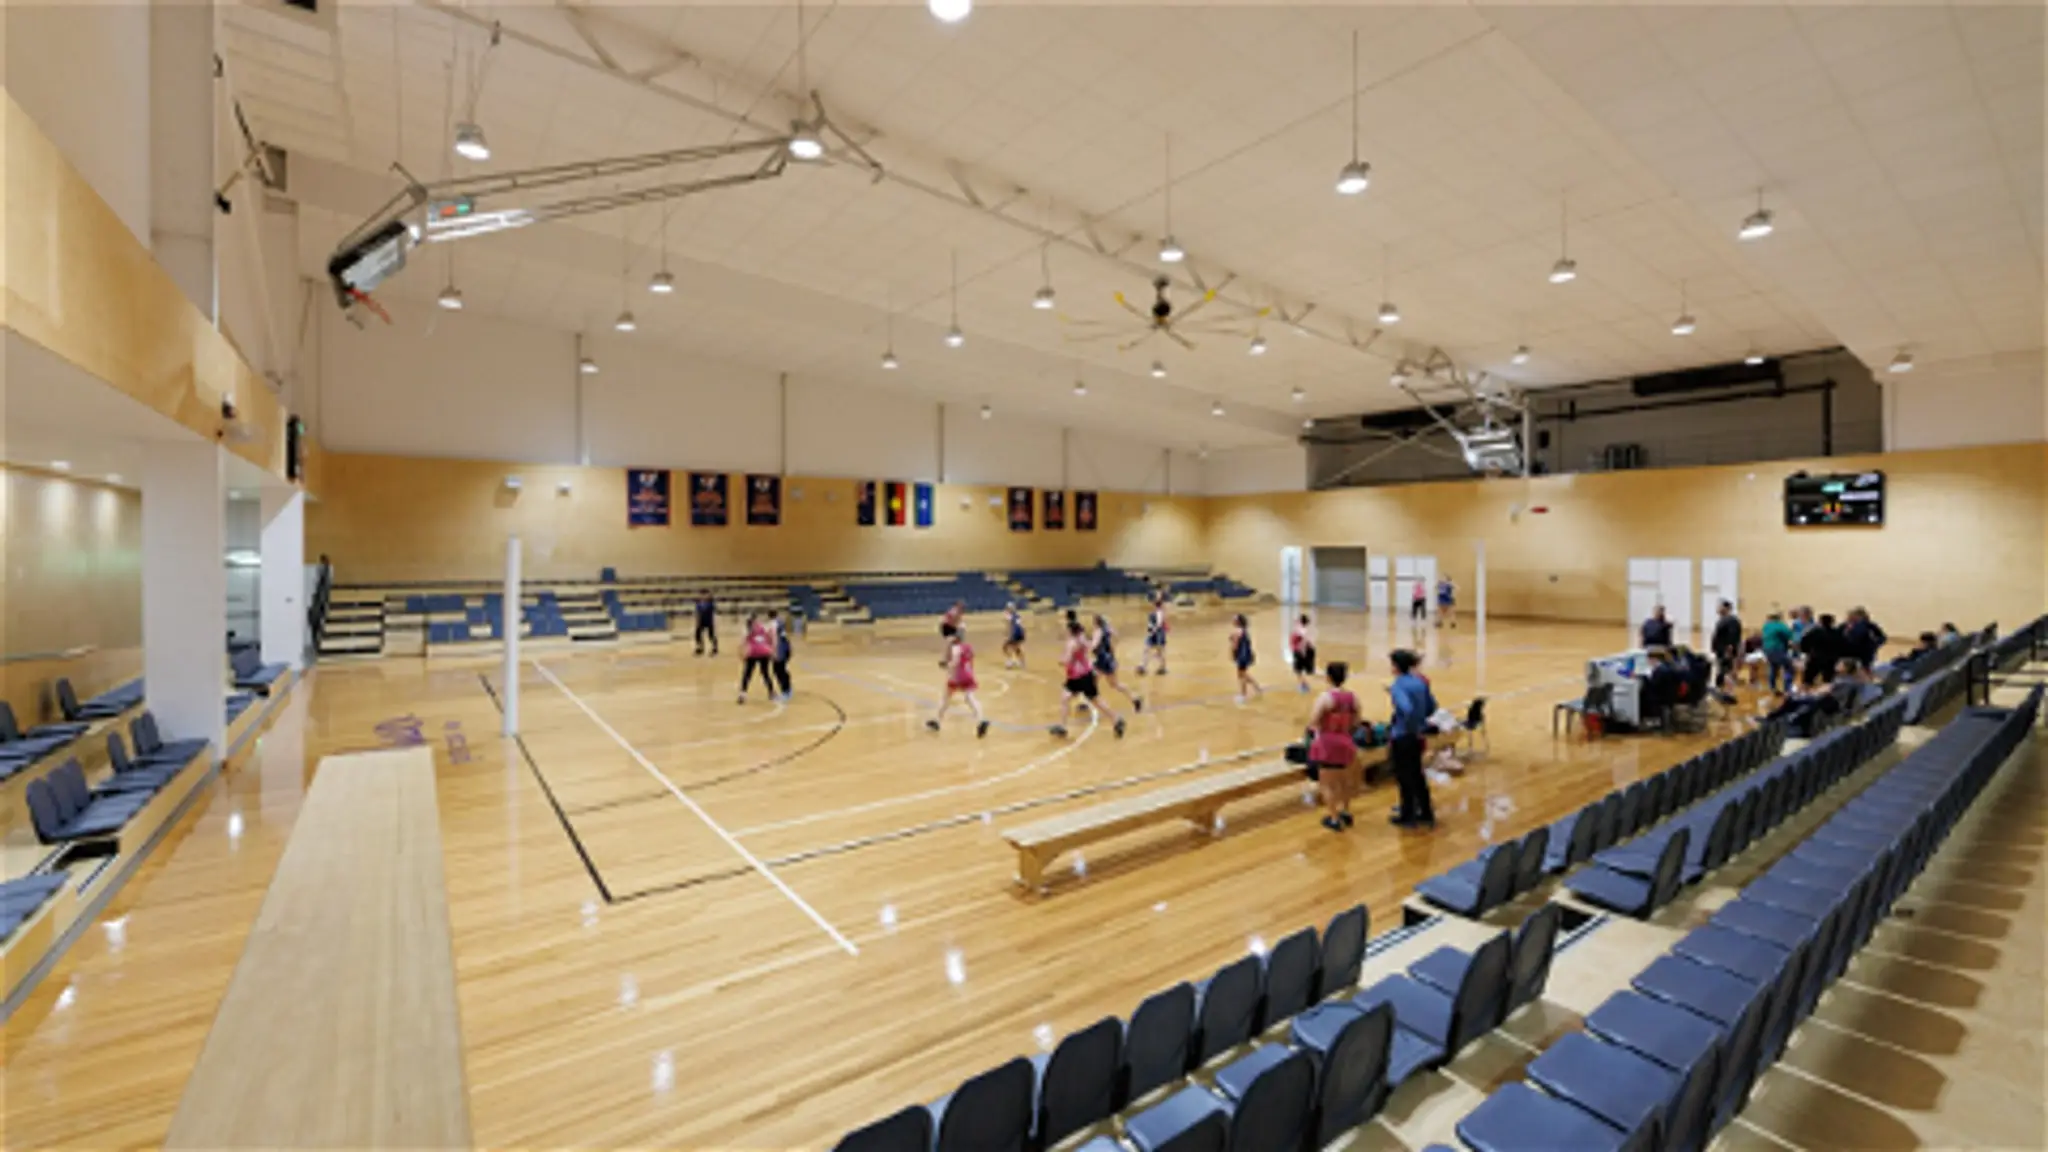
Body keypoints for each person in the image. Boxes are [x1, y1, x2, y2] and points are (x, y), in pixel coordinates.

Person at [1307, 661, 1361, 832]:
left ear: (1328, 677)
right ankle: (1345, 811)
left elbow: (1314, 721)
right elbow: (1357, 721)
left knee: (1327, 784)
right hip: (1346, 742)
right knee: (1344, 781)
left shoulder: (1325, 698)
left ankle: (1334, 818)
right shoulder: (1353, 697)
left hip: (1327, 744)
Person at [1387, 649, 1437, 829]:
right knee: (1417, 775)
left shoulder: (1398, 685)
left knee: (1403, 777)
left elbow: (1406, 708)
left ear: (1396, 666)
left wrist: (1408, 725)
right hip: (1418, 735)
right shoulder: (1419, 682)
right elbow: (1432, 707)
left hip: (1403, 736)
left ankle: (1408, 815)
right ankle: (1426, 812)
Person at [1051, 618, 1126, 739]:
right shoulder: (1082, 639)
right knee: (1077, 699)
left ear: (1070, 631)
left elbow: (1067, 660)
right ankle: (1116, 719)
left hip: (1077, 677)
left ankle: (1116, 719)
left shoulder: (1072, 643)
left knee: (1072, 699)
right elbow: (1090, 646)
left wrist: (1061, 660)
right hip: (1085, 674)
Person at [926, 627, 990, 737]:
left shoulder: (956, 648)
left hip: (957, 677)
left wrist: (946, 665)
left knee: (945, 698)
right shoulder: (968, 647)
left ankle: (937, 721)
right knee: (970, 698)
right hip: (968, 674)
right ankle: (981, 720)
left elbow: (955, 662)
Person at [1090, 614, 1144, 713]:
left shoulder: (1098, 631)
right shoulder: (1108, 629)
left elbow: (1093, 646)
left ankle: (1089, 702)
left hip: (1102, 660)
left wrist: (1085, 646)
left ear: (1096, 622)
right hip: (1109, 659)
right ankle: (1135, 698)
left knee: (1092, 682)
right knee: (1114, 684)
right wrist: (1112, 649)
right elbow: (1117, 637)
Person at [737, 613, 774, 703]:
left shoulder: (747, 629)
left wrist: (741, 654)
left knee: (747, 674)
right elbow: (770, 637)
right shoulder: (763, 627)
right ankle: (771, 692)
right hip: (764, 652)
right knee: (765, 673)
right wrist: (770, 648)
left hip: (754, 653)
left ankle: (743, 693)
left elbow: (742, 643)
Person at [1800, 612, 1843, 687]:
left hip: (1815, 658)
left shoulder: (1815, 632)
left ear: (1820, 621)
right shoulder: (1837, 633)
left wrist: (1806, 652)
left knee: (1807, 680)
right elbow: (1842, 646)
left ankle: (1804, 696)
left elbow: (1804, 642)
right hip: (1830, 659)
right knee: (1828, 681)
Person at [1760, 610, 1796, 694]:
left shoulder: (1766, 626)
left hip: (1767, 650)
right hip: (1777, 649)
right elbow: (1789, 635)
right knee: (1789, 668)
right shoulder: (1780, 625)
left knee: (1774, 667)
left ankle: (1772, 687)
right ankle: (1787, 687)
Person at [1710, 600, 1743, 689]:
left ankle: (1725, 689)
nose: (1718, 609)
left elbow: (1732, 636)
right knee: (1721, 669)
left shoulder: (1731, 620)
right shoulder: (1723, 620)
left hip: (1725, 650)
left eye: (1720, 607)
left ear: (1726, 608)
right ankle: (1721, 688)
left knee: (1725, 670)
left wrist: (1729, 648)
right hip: (1720, 649)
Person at [1229, 613, 1261, 703]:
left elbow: (1235, 645)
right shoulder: (1244, 630)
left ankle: (1243, 695)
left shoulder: (1237, 632)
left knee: (1242, 675)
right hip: (1245, 655)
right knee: (1241, 674)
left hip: (1241, 656)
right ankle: (1256, 687)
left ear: (1237, 622)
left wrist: (1233, 654)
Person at [1138, 594, 1170, 675]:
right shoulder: (1157, 613)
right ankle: (1143, 666)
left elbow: (1158, 624)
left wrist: (1152, 631)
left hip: (1156, 634)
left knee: (1157, 651)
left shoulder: (1159, 613)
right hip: (1155, 633)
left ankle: (1162, 667)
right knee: (1148, 649)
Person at [1289, 613, 1317, 692]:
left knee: (1298, 670)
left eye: (1299, 619)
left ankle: (1304, 686)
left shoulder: (1301, 630)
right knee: (1302, 671)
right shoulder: (1300, 628)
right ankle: (1303, 685)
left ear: (1301, 621)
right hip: (1301, 651)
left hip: (1300, 652)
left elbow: (1305, 640)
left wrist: (1302, 649)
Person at [771, 611, 795, 701]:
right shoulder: (781, 624)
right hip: (785, 650)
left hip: (780, 651)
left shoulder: (774, 625)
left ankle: (786, 691)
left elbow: (775, 640)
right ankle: (788, 689)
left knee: (779, 670)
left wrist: (774, 652)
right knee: (782, 670)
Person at [939, 600, 965, 666]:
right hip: (947, 627)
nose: (962, 607)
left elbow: (956, 621)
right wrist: (959, 628)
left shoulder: (958, 612)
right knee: (951, 642)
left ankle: (948, 659)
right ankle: (946, 659)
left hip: (950, 628)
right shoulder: (954, 611)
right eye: (961, 605)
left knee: (954, 643)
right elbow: (949, 621)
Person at [1001, 603, 1026, 669]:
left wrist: (1007, 634)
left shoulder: (1008, 615)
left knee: (1005, 647)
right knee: (1017, 647)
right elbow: (1021, 625)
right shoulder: (1017, 615)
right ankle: (1021, 662)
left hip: (1015, 632)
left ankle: (1011, 661)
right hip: (1021, 632)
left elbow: (1009, 625)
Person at [693, 592, 719, 656]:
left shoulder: (711, 604)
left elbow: (714, 610)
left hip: (709, 621)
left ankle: (714, 648)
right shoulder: (698, 604)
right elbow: (697, 613)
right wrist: (697, 621)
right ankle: (700, 647)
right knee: (698, 635)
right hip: (701, 621)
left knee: (711, 635)